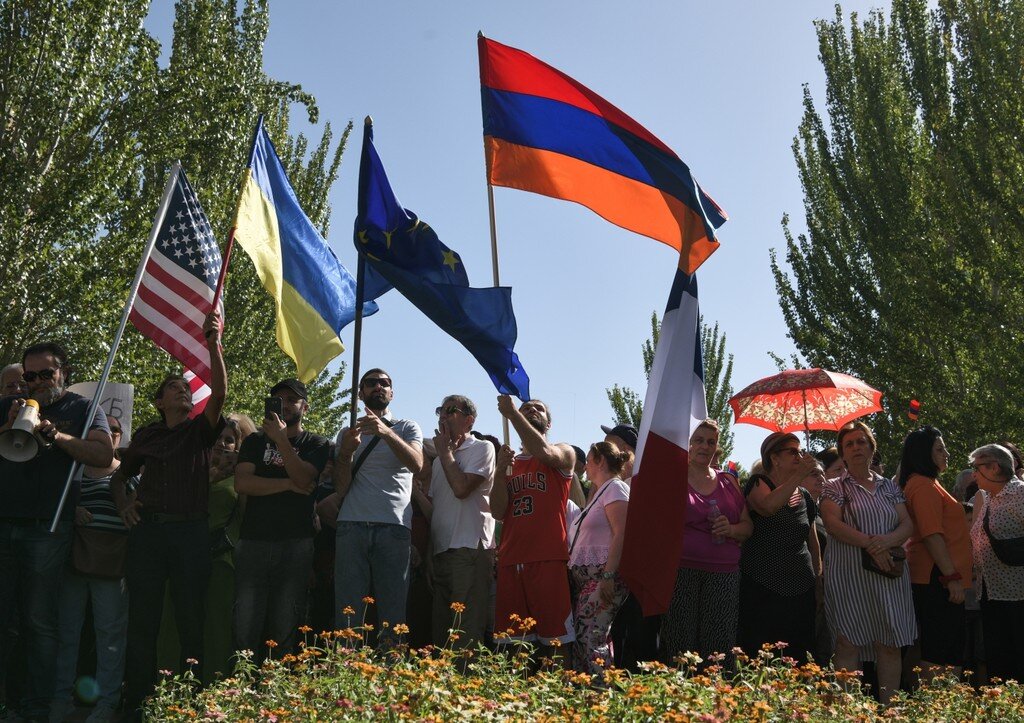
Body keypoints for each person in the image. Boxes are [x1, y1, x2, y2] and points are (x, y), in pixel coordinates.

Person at [113, 311, 226, 719]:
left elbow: (219, 397)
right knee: (142, 620)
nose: (182, 392)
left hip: (190, 536)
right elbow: (118, 477)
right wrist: (124, 504)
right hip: (148, 536)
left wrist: (213, 344)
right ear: (159, 401)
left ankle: (189, 702)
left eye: (185, 389)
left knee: (189, 620)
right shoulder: (146, 435)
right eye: (174, 389)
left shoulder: (198, 431)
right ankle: (137, 702)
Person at [0, 343, 113, 722]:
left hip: (47, 527)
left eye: (45, 374)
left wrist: (58, 437)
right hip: (4, 523)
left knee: (38, 620)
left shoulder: (82, 408)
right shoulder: (10, 405)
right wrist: (8, 423)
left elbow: (103, 455)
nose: (36, 383)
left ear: (64, 371)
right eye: (29, 376)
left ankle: (36, 707)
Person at [318, 368, 423, 643]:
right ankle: (346, 673)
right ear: (361, 392)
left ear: (392, 393)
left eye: (385, 383)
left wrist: (385, 432)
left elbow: (417, 464)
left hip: (394, 526)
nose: (379, 386)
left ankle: (391, 673)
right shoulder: (347, 432)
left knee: (393, 611)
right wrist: (346, 454)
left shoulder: (407, 427)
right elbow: (341, 486)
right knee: (348, 612)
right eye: (371, 383)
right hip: (352, 526)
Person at [820, 421, 916, 704]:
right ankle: (847, 712)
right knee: (847, 642)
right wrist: (870, 544)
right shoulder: (834, 486)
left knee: (889, 643)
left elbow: (907, 523)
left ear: (872, 448)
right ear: (843, 453)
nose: (856, 447)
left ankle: (889, 710)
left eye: (861, 442)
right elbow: (832, 524)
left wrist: (885, 543)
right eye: (849, 444)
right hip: (849, 574)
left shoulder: (889, 487)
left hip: (888, 573)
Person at [233, 379, 330, 657]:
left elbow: (304, 476)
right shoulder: (253, 441)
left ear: (305, 407)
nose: (285, 405)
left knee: (286, 626)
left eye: (292, 400)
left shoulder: (317, 443)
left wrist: (280, 441)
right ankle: (238, 689)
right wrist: (288, 486)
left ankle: (278, 691)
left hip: (295, 543)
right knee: (244, 624)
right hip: (253, 541)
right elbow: (243, 484)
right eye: (279, 400)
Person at [50, 415, 131, 723]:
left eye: (115, 430)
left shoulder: (129, 473)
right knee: (66, 631)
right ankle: (60, 698)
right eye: (104, 429)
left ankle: (107, 701)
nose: (109, 433)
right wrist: (73, 509)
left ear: (121, 437)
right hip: (74, 560)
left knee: (110, 634)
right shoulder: (74, 469)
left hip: (113, 564)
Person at [661, 419, 752, 663]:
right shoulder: (672, 478)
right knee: (680, 643)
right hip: (682, 570)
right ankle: (679, 697)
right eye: (699, 440)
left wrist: (731, 529)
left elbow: (748, 527)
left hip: (724, 573)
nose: (705, 446)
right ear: (688, 444)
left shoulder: (728, 481)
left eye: (711, 441)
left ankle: (718, 697)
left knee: (719, 645)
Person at [491, 397, 576, 656]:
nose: (530, 410)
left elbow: (546, 454)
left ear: (548, 422)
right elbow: (497, 511)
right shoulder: (510, 463)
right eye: (526, 407)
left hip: (547, 557)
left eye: (538, 408)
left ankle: (559, 693)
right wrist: (498, 471)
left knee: (556, 641)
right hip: (511, 558)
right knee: (515, 644)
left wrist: (514, 414)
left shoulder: (563, 451)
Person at [738, 432, 821, 663]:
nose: (799, 456)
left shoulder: (804, 496)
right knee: (763, 656)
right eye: (792, 452)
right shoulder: (758, 484)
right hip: (763, 587)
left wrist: (818, 581)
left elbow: (813, 544)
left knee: (800, 656)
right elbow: (768, 506)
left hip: (802, 587)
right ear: (774, 458)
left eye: (801, 451)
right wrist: (800, 475)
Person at [899, 426, 971, 680]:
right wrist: (951, 579)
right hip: (936, 577)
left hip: (941, 577)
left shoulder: (929, 483)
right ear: (922, 454)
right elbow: (931, 534)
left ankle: (945, 705)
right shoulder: (922, 485)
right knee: (939, 648)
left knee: (949, 648)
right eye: (940, 449)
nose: (947, 453)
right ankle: (937, 708)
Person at [428, 395, 496, 650]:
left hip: (469, 550)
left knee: (465, 632)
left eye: (450, 410)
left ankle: (469, 686)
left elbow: (461, 488)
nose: (442, 416)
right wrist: (429, 556)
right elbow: (437, 510)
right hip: (441, 553)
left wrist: (444, 451)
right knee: (441, 633)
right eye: (440, 410)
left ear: (469, 420)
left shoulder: (482, 448)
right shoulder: (438, 461)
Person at [567, 441, 631, 674]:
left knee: (590, 638)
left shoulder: (615, 488)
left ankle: (601, 693)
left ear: (600, 460)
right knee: (586, 638)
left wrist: (609, 575)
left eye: (589, 459)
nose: (584, 468)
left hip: (603, 576)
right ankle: (587, 694)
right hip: (587, 579)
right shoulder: (600, 493)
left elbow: (622, 531)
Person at [967, 443, 1024, 683]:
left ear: (993, 468)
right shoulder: (989, 497)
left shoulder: (1020, 493)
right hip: (990, 592)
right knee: (999, 664)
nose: (973, 474)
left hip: (1017, 595)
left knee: (1018, 661)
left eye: (976, 468)